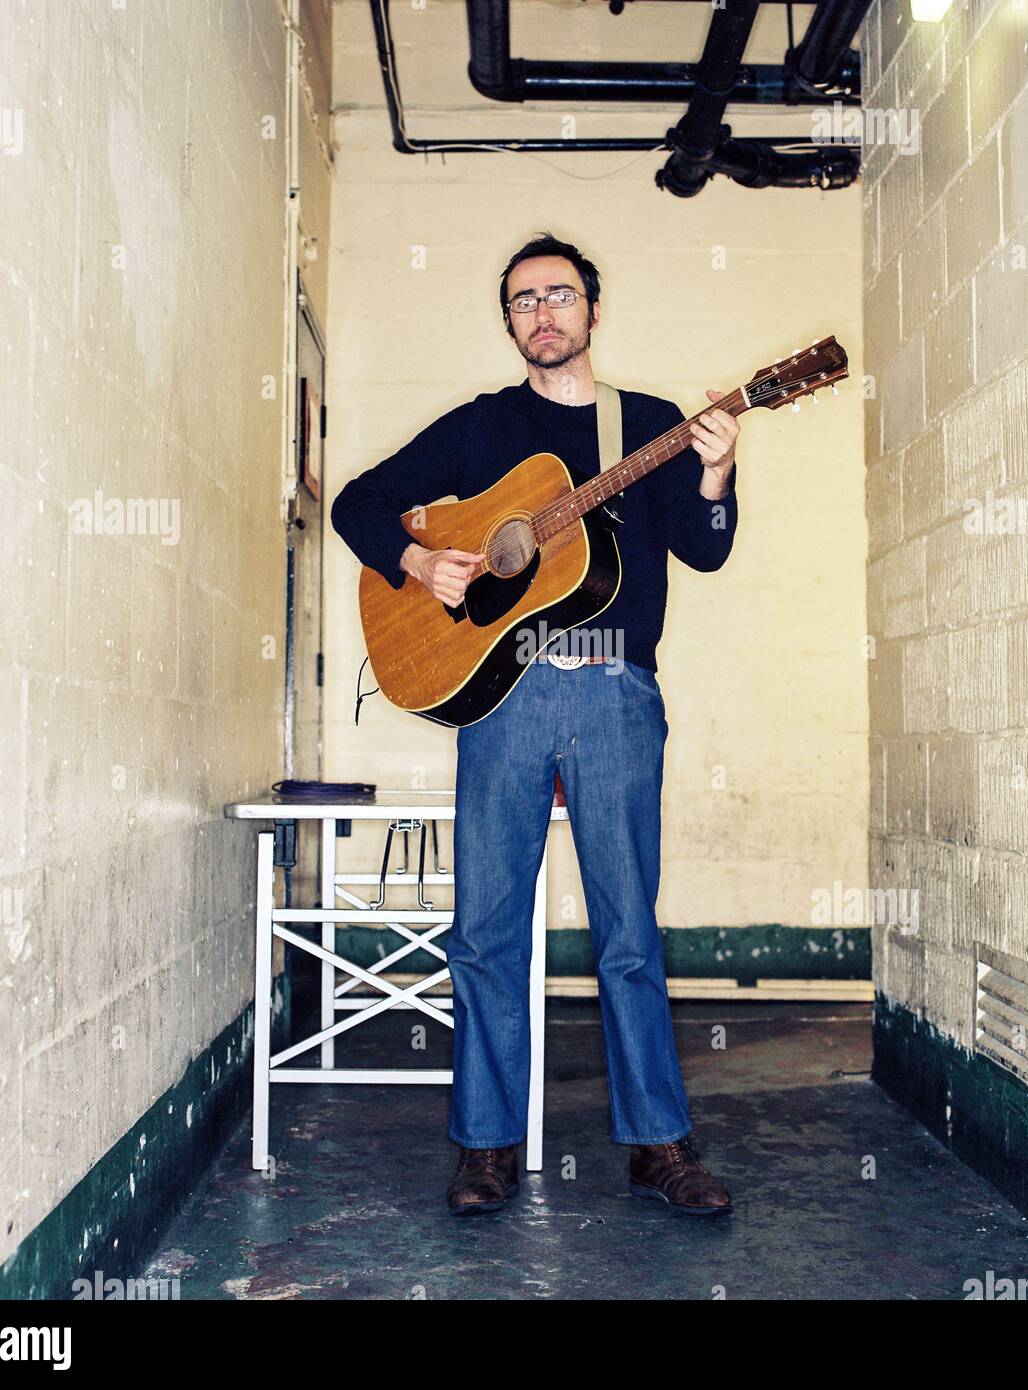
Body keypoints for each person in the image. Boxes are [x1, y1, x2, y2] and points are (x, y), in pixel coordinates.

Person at [331, 232, 739, 1216]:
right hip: (506, 695)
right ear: (511, 322)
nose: (542, 313)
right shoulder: (479, 429)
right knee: (483, 930)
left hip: (615, 695)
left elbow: (703, 548)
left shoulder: (647, 426)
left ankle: (657, 1143)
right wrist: (419, 563)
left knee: (628, 929)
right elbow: (357, 503)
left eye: (559, 295)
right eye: (522, 301)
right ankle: (486, 1145)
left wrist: (716, 473)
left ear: (594, 311)